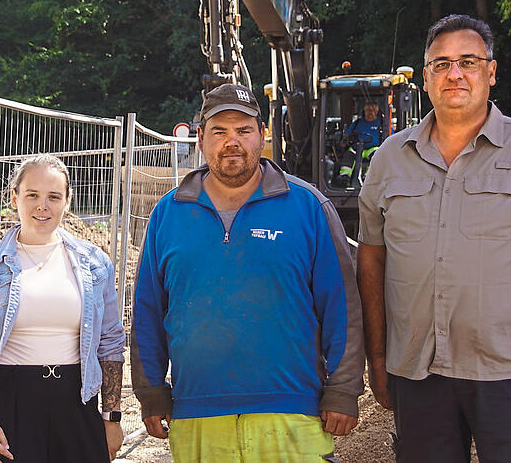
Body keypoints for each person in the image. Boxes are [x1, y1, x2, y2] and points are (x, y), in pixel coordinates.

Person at [357, 14, 511, 462]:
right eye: (441, 63)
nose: (454, 73)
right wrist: (377, 355)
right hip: (417, 372)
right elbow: (371, 259)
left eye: (468, 61)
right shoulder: (390, 159)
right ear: (426, 78)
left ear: (490, 72)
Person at [131, 83, 364, 462]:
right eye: (220, 132)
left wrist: (342, 389)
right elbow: (146, 313)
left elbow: (343, 307)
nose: (232, 142)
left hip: (293, 413)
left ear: (263, 135)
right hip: (197, 414)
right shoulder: (167, 215)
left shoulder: (308, 208)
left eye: (244, 130)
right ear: (201, 139)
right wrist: (151, 390)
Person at [0, 155, 125, 463]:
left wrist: (111, 418)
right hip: (4, 407)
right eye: (32, 195)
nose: (43, 206)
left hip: (76, 405)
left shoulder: (95, 264)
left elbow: (110, 344)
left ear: (67, 201)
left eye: (54, 196)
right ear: (14, 198)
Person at [336, 101, 383, 185]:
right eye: (368, 110)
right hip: (357, 147)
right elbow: (348, 135)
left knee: (377, 155)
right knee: (349, 154)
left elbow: (391, 136)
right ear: (364, 112)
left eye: (372, 110)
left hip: (373, 148)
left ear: (376, 112)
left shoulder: (382, 123)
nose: (370, 112)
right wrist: (343, 142)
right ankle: (345, 177)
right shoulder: (357, 123)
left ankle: (369, 178)